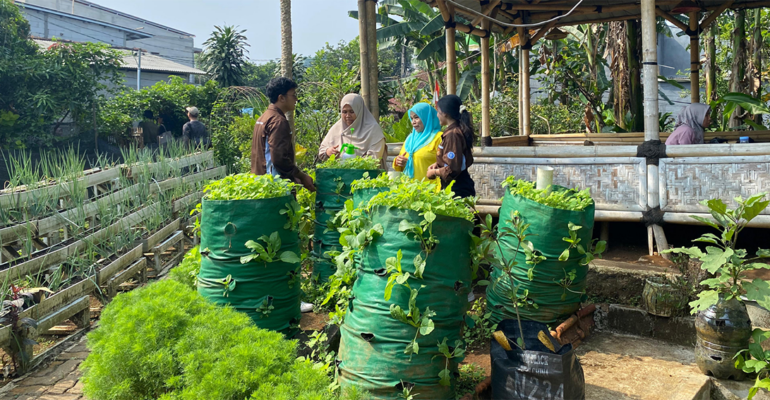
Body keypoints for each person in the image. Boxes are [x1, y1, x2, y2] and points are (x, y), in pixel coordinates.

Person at [251, 76, 315, 193]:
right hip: (275, 186)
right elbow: (279, 159)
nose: (296, 99)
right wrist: (301, 176)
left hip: (261, 183)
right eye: (293, 95)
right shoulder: (278, 121)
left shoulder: (264, 117)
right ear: (281, 98)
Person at [318, 94, 387, 169]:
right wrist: (328, 151)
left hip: (365, 176)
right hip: (337, 174)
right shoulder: (338, 127)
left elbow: (374, 159)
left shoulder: (373, 129)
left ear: (359, 111)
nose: (348, 115)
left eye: (351, 111)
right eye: (344, 112)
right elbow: (322, 150)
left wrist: (352, 165)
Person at [426, 95, 476, 198]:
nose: (437, 115)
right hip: (458, 187)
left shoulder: (452, 134)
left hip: (457, 189)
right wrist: (439, 163)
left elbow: (452, 170)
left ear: (445, 113)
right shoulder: (457, 130)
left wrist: (434, 172)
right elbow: (457, 158)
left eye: (438, 112)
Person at [393, 102, 443, 185]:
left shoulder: (439, 138)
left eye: (416, 117)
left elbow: (447, 165)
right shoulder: (410, 139)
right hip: (408, 190)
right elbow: (400, 163)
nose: (413, 122)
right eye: (412, 118)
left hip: (430, 191)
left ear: (427, 118)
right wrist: (398, 161)